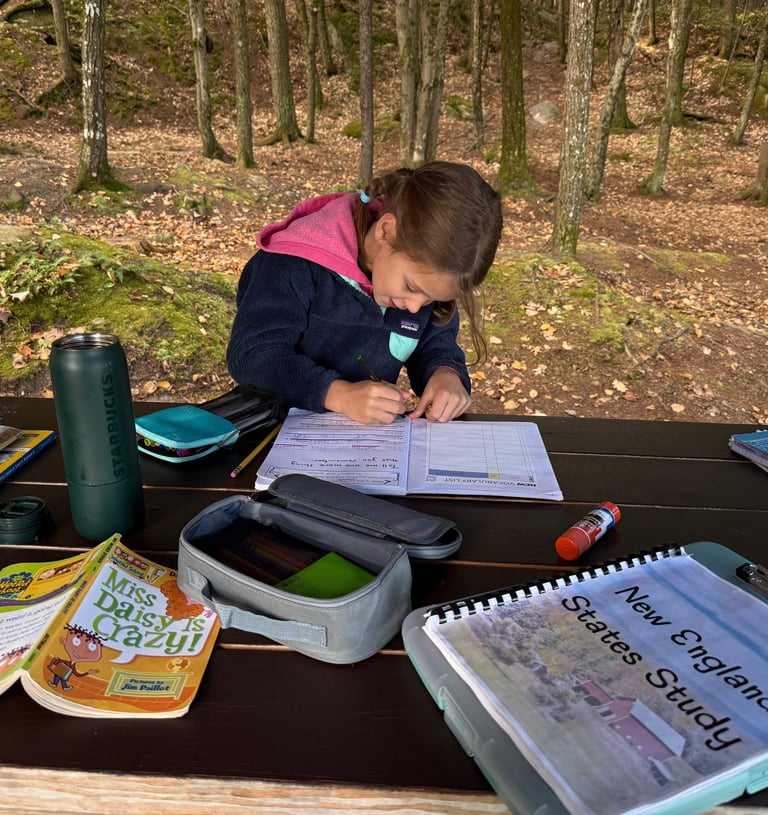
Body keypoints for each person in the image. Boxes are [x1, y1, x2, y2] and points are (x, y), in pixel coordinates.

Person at [226, 160, 502, 424]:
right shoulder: (292, 265)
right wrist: (337, 394)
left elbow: (435, 341)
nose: (417, 307)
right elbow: (253, 355)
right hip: (274, 437)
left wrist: (445, 373)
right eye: (412, 288)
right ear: (386, 231)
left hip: (368, 447)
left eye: (432, 299)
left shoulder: (419, 278)